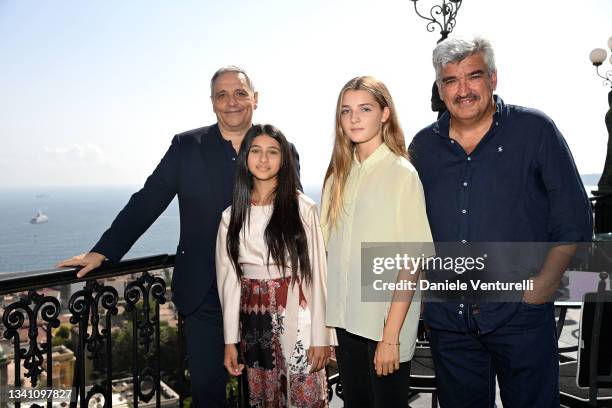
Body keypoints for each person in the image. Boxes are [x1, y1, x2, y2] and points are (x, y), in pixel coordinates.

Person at [58, 66, 300, 407]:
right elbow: (149, 199)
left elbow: (295, 221)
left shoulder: (280, 149)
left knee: (270, 392)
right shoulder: (187, 146)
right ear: (212, 103)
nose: (232, 102)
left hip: (264, 294)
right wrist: (103, 251)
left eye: (240, 93)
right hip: (203, 295)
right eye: (222, 95)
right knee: (206, 391)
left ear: (255, 99)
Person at [409, 36, 592, 407]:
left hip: (521, 316)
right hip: (449, 321)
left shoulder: (534, 130)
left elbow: (573, 220)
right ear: (440, 89)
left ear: (493, 78)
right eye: (450, 81)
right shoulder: (422, 148)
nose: (462, 90)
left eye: (472, 76)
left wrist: (541, 289)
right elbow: (409, 230)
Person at [321, 76, 433, 408]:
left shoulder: (402, 173)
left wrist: (391, 337)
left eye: (364, 109)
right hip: (345, 323)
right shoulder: (336, 177)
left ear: (385, 114)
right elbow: (329, 257)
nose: (354, 118)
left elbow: (412, 263)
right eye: (346, 111)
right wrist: (326, 330)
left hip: (384, 325)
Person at [215, 124, 335, 407]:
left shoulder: (303, 208)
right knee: (264, 398)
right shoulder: (230, 217)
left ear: (284, 160)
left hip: (298, 315)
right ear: (245, 157)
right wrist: (230, 340)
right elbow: (228, 283)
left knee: (305, 395)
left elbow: (318, 276)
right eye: (256, 151)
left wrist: (322, 337)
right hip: (253, 320)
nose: (264, 159)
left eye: (273, 152)